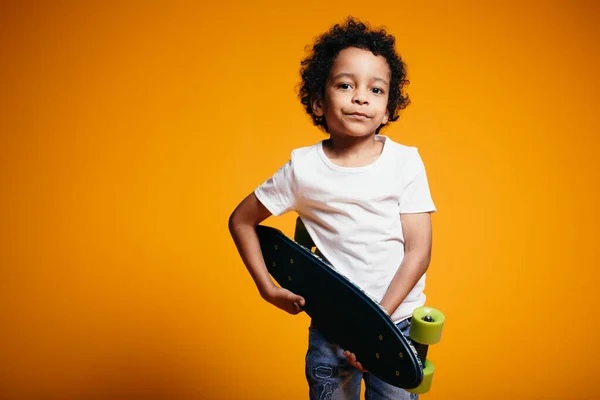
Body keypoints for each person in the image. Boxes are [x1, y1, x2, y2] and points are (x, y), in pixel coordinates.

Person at [228, 17, 436, 400]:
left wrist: (374, 327)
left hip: (396, 325)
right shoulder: (303, 170)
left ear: (388, 109)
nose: (361, 97)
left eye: (376, 89)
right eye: (345, 85)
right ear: (319, 102)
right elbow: (241, 221)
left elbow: (418, 253)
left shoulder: (406, 162)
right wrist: (267, 288)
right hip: (331, 327)